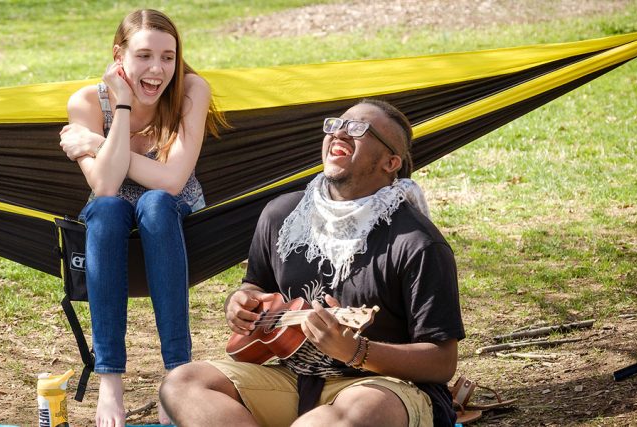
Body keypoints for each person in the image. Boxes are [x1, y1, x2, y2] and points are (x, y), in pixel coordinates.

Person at [159, 100, 465, 427]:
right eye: (335, 125)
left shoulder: (417, 243)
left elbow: (442, 361)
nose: (340, 134)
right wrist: (238, 304)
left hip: (383, 386)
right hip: (292, 378)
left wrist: (358, 350)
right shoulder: (282, 215)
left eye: (359, 130)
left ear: (390, 162)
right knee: (182, 384)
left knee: (343, 417)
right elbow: (255, 286)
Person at [58, 8, 226, 427]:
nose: (158, 69)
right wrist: (124, 106)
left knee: (152, 203)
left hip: (171, 215)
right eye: (145, 55)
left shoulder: (191, 91)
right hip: (109, 223)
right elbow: (106, 186)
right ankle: (109, 381)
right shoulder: (86, 102)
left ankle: (177, 376)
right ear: (119, 55)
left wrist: (97, 141)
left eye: (168, 57)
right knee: (109, 209)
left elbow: (171, 181)